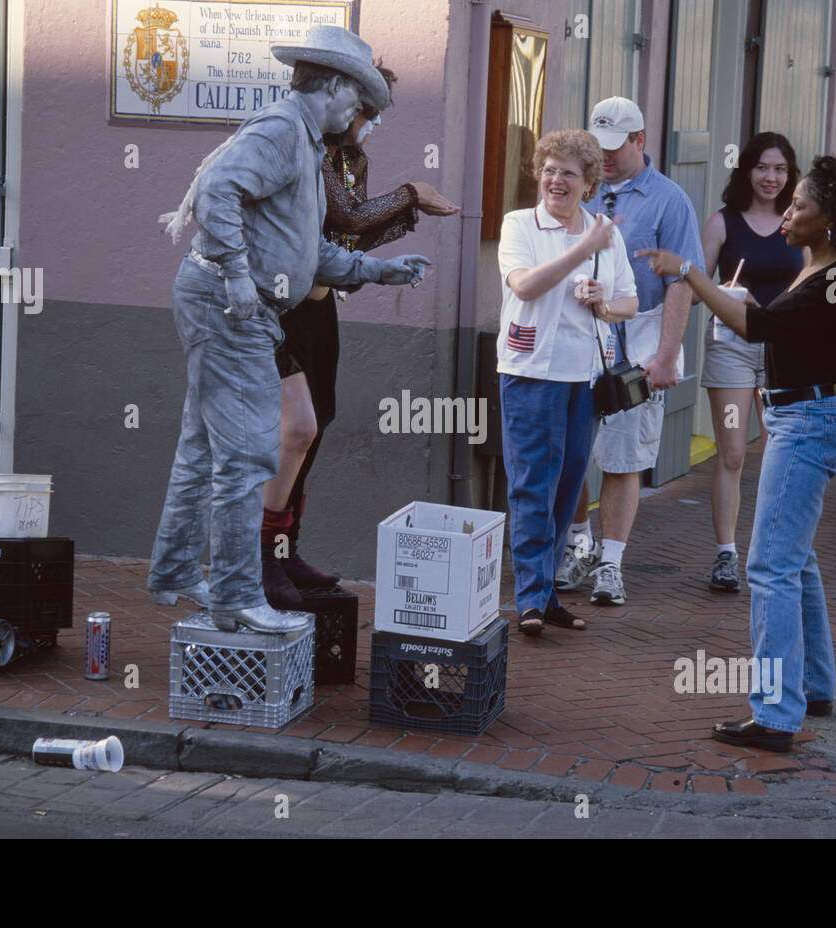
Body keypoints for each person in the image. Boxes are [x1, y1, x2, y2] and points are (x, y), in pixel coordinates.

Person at [147, 25, 430, 633]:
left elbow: (305, 253)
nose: (363, 115)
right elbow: (218, 191)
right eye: (360, 101)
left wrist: (381, 271)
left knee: (202, 450)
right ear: (330, 86)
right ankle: (235, 595)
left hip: (229, 305)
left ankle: (173, 573)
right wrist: (237, 278)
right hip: (231, 310)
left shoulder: (303, 140)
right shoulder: (282, 130)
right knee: (249, 455)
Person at [646, 154, 836, 752]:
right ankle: (813, 685)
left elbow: (757, 329)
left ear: (830, 219)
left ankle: (777, 715)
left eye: (800, 205)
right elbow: (775, 322)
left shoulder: (835, 276)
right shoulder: (822, 265)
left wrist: (690, 273)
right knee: (794, 559)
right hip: (806, 413)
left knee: (769, 567)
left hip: (809, 419)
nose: (788, 214)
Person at [260, 64, 460, 609]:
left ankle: (285, 547)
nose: (370, 122)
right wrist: (412, 192)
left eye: (375, 114)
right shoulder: (308, 148)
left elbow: (349, 231)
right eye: (367, 111)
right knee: (292, 430)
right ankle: (260, 559)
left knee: (316, 426)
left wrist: (387, 234)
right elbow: (346, 212)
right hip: (278, 309)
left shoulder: (353, 158)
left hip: (320, 308)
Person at [553, 97, 704, 607]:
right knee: (571, 449)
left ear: (641, 141)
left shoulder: (670, 200)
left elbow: (682, 282)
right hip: (580, 331)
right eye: (598, 148)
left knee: (624, 456)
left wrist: (666, 355)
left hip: (640, 332)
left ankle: (611, 564)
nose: (607, 157)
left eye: (616, 148)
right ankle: (579, 544)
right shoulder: (578, 187)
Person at [497, 128, 638, 636]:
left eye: (569, 173)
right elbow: (527, 284)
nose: (556, 180)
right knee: (532, 484)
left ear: (589, 182)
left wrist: (603, 300)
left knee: (569, 485)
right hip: (530, 372)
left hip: (585, 375)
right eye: (550, 170)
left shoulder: (606, 233)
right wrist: (582, 250)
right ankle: (530, 599)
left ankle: (548, 591)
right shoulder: (519, 225)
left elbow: (630, 302)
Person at [697, 132, 804, 592]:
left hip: (784, 348)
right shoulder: (722, 223)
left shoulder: (799, 224)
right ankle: (726, 555)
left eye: (780, 169)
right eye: (762, 167)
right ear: (746, 170)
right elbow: (695, 283)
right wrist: (725, 296)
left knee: (781, 451)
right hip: (733, 346)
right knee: (734, 453)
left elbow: (814, 285)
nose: (771, 177)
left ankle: (775, 550)